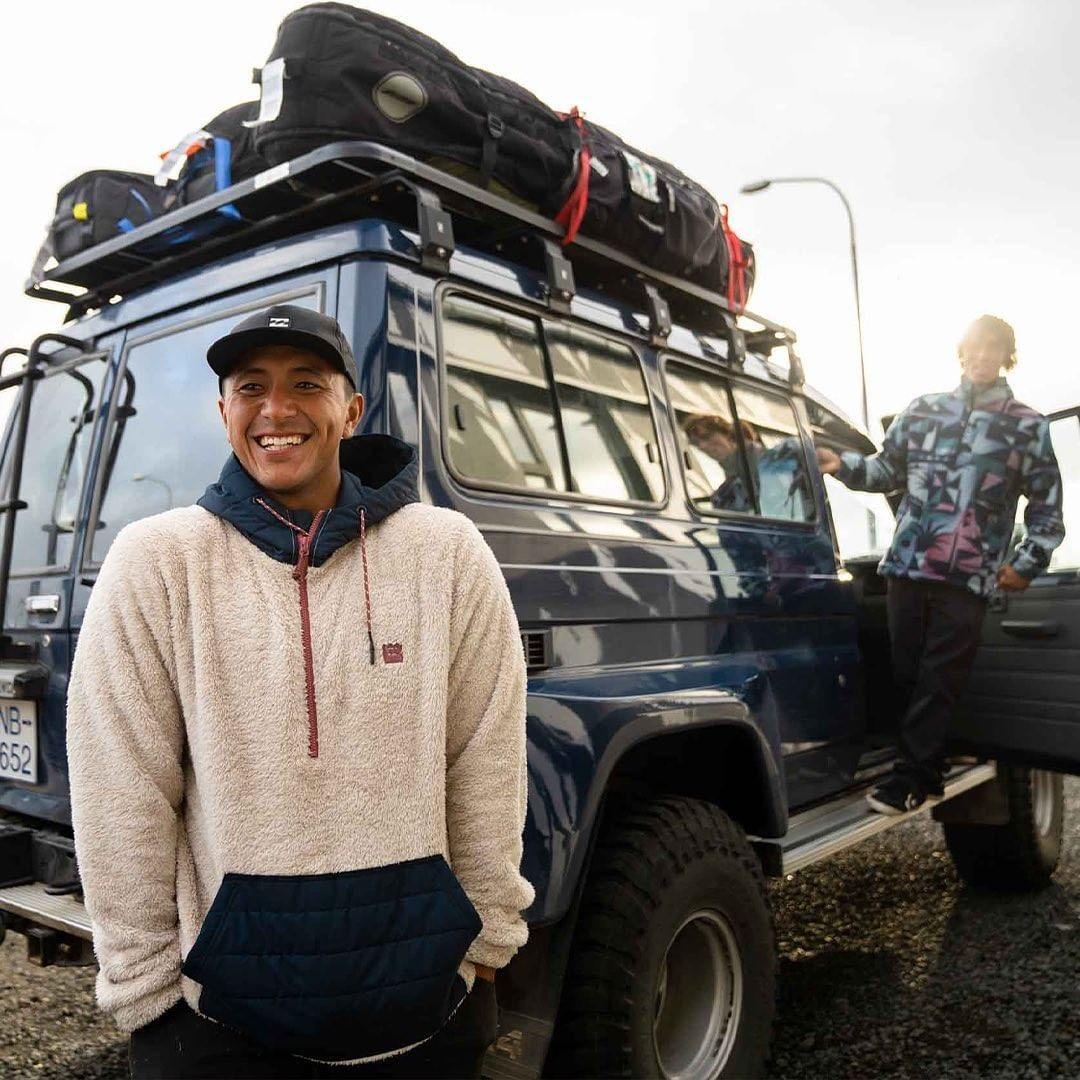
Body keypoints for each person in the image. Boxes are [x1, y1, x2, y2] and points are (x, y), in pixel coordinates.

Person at [66, 305, 535, 1078]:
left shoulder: (444, 552)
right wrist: (145, 989)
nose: (276, 409)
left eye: (306, 384)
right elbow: (120, 787)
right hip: (221, 1027)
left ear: (350, 410)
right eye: (251, 387)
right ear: (224, 414)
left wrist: (486, 941)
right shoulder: (157, 562)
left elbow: (484, 758)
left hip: (425, 1012)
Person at [816, 314, 1064, 815]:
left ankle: (912, 777)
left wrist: (1027, 562)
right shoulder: (923, 410)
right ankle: (927, 767)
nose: (982, 355)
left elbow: (1047, 508)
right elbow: (887, 470)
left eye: (993, 347)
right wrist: (842, 466)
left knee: (938, 677)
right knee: (907, 672)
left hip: (968, 575)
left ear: (1006, 355)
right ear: (961, 351)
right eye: (975, 346)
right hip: (908, 564)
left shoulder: (1026, 425)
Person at [684, 413, 812, 519]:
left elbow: (775, 503)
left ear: (727, 435)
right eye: (696, 443)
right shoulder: (730, 473)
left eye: (707, 437)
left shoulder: (756, 458)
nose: (702, 446)